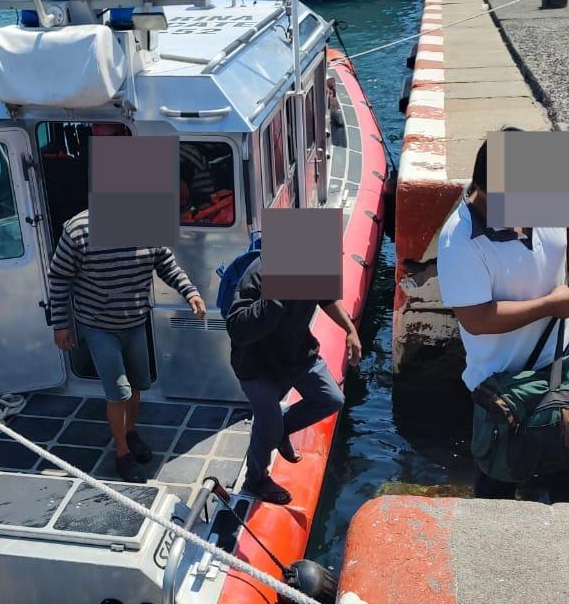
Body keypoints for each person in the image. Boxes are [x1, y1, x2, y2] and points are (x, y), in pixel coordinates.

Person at [437, 132, 569, 503]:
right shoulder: (459, 242)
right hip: (503, 379)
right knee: (499, 470)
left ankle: (564, 486)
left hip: (565, 351)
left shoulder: (532, 179)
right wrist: (550, 305)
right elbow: (477, 319)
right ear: (485, 192)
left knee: (566, 438)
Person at [47, 210, 206, 483]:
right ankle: (121, 453)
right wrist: (61, 325)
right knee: (118, 392)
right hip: (98, 325)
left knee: (137, 386)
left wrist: (190, 291)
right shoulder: (78, 230)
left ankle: (129, 432)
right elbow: (59, 278)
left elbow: (166, 263)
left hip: (135, 322)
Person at [226, 254, 361, 504]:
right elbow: (236, 327)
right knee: (267, 425)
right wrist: (276, 297)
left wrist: (350, 330)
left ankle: (281, 431)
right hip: (257, 366)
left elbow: (326, 297)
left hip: (297, 355)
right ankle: (255, 479)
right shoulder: (258, 274)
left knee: (331, 399)